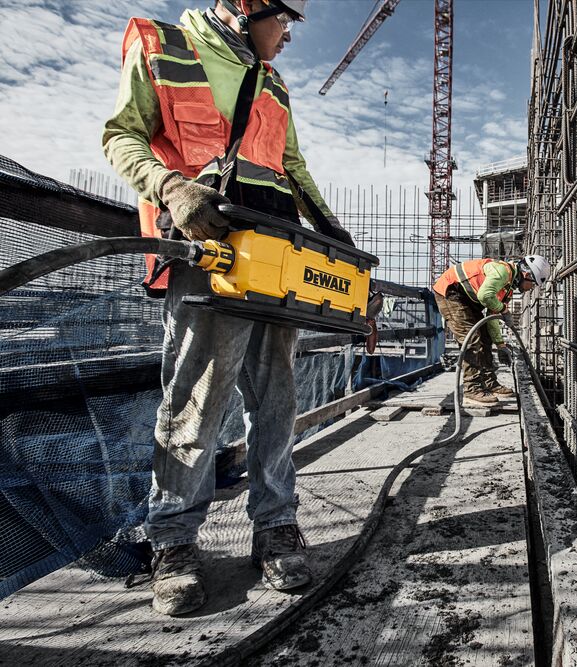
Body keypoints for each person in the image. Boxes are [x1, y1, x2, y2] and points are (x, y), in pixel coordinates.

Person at [103, 0, 352, 616]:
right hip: (207, 253)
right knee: (197, 398)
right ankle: (175, 542)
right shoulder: (163, 47)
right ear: (245, 7)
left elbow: (291, 169)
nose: (289, 34)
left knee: (277, 397)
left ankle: (275, 527)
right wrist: (171, 187)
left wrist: (335, 239)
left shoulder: (272, 82)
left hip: (274, 258)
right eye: (284, 19)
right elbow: (120, 134)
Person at [432, 255, 551, 406]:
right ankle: (472, 390)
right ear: (527, 275)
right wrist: (504, 310)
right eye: (532, 284)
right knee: (472, 340)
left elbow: (491, 317)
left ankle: (489, 383)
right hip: (451, 292)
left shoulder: (507, 288)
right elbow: (485, 295)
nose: (531, 289)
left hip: (468, 299)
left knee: (485, 337)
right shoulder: (502, 272)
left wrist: (500, 345)